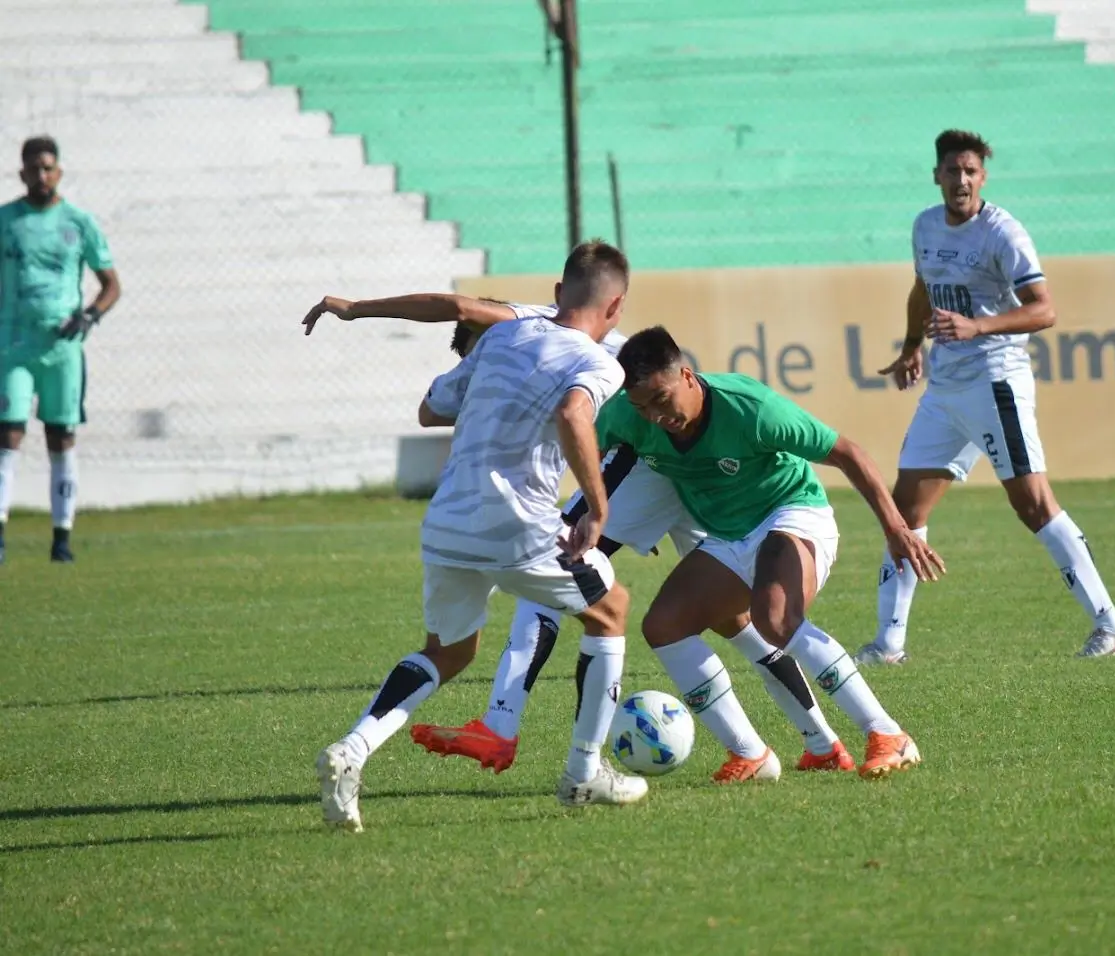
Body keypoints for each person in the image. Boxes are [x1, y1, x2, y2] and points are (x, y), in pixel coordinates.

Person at [302, 293, 856, 772]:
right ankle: (816, 743)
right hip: (678, 455)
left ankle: (502, 725)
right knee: (729, 617)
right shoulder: (540, 345)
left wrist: (357, 309)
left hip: (646, 458)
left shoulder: (526, 322)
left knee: (564, 561)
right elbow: (431, 409)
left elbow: (456, 307)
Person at [311, 240, 647, 832]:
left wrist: (358, 309)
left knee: (449, 650)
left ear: (556, 293)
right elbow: (573, 415)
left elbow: (431, 408)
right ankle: (583, 773)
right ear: (615, 306)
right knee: (611, 609)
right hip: (515, 521)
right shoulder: (601, 362)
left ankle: (353, 751)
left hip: (447, 520)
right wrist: (596, 506)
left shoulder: (499, 339)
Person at [597, 327, 941, 781]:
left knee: (774, 619)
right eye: (643, 407)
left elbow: (848, 453)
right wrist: (629, 514)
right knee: (664, 626)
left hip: (792, 513)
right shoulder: (626, 415)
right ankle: (751, 754)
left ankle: (887, 734)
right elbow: (595, 450)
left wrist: (896, 528)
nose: (656, 416)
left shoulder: (750, 408)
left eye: (662, 399)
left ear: (686, 375)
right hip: (727, 535)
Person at [862, 129, 1115, 665]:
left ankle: (1112, 627)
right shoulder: (924, 225)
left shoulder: (1002, 233)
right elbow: (923, 287)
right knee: (903, 511)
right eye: (952, 170)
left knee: (1032, 506)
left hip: (995, 381)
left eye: (970, 171)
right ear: (936, 175)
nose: (961, 179)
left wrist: (978, 326)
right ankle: (888, 644)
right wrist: (913, 345)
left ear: (982, 177)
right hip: (944, 390)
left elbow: (1044, 309)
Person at [0, 136, 121, 563]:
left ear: (59, 172)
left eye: (48, 167)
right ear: (22, 174)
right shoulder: (6, 220)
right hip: (13, 346)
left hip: (62, 348)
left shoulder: (77, 223)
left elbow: (111, 285)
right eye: (34, 168)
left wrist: (89, 316)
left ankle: (62, 538)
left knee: (62, 436)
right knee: (8, 432)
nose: (41, 175)